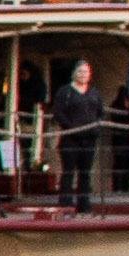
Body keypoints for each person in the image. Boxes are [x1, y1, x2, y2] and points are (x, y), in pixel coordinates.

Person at [47, 57, 110, 209]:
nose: (83, 74)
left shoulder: (94, 92)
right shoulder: (65, 92)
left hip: (89, 138)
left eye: (86, 72)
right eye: (80, 71)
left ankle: (84, 204)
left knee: (85, 172)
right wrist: (71, 127)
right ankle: (65, 204)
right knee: (68, 171)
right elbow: (58, 112)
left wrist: (95, 128)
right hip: (71, 137)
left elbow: (100, 112)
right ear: (74, 73)